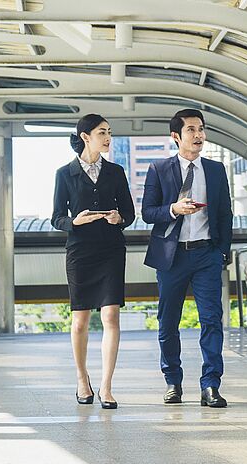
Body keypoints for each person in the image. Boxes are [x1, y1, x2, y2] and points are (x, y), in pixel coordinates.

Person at [141, 109, 233, 408]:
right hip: (172, 257)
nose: (198, 135)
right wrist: (174, 209)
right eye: (191, 130)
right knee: (168, 323)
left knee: (211, 320)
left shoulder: (216, 170)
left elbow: (225, 214)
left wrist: (221, 252)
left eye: (201, 129)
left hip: (206, 253)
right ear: (176, 136)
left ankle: (210, 386)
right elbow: (147, 212)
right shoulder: (159, 168)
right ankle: (172, 381)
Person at [51, 114, 135, 409]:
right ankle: (81, 378)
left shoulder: (116, 171)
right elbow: (56, 217)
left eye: (110, 132)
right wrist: (75, 221)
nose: (108, 137)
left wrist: (119, 218)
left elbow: (129, 213)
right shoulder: (65, 174)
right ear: (85, 136)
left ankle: (107, 386)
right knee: (80, 320)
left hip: (111, 249)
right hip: (80, 251)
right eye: (102, 132)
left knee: (111, 315)